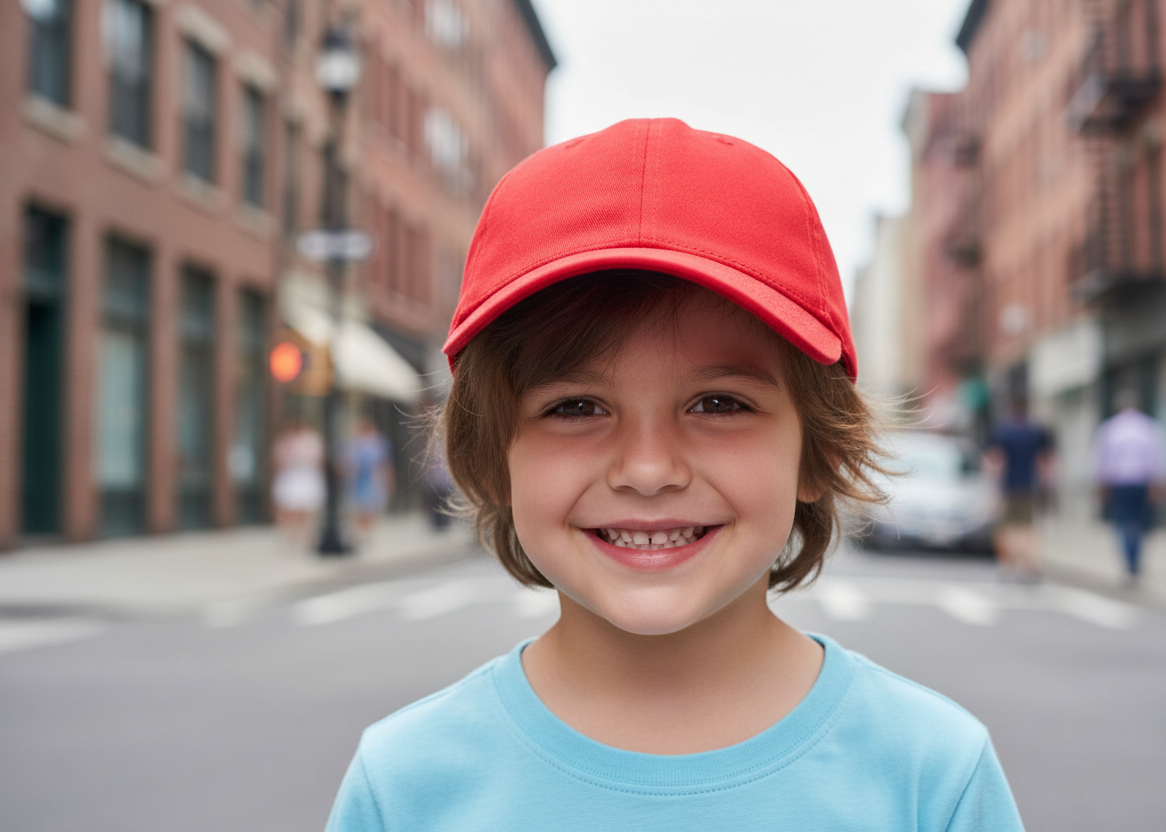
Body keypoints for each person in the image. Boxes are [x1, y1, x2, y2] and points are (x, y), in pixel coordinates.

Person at [325, 118, 1023, 830]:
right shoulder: (405, 787)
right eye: (576, 407)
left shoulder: (931, 778)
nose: (649, 469)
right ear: (494, 458)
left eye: (719, 404)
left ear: (819, 450)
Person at [1093, 390, 1166, 583]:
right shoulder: (1149, 427)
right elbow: (1159, 457)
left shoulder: (1110, 428)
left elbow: (1101, 460)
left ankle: (1130, 560)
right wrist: (1160, 483)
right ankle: (1135, 558)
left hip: (1119, 482)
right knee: (1140, 521)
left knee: (1122, 522)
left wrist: (1100, 485)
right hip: (1142, 482)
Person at [985, 396, 1054, 581]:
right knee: (1027, 526)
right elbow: (1045, 461)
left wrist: (993, 487)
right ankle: (1028, 563)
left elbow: (994, 460)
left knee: (1006, 527)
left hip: (1008, 486)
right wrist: (1047, 485)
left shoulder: (1003, 432)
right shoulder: (1036, 431)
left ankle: (1007, 564)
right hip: (1029, 485)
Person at [271, 418, 325, 547]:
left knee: (307, 507)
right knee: (289, 506)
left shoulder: (311, 440)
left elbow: (317, 459)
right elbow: (278, 460)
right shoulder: (284, 440)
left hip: (306, 477)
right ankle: (292, 535)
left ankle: (306, 535)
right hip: (290, 477)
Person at [344, 418, 394, 543]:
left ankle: (367, 533)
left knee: (371, 507)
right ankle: (360, 533)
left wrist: (388, 479)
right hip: (358, 480)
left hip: (373, 479)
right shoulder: (354, 444)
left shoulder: (379, 444)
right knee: (359, 507)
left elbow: (385, 463)